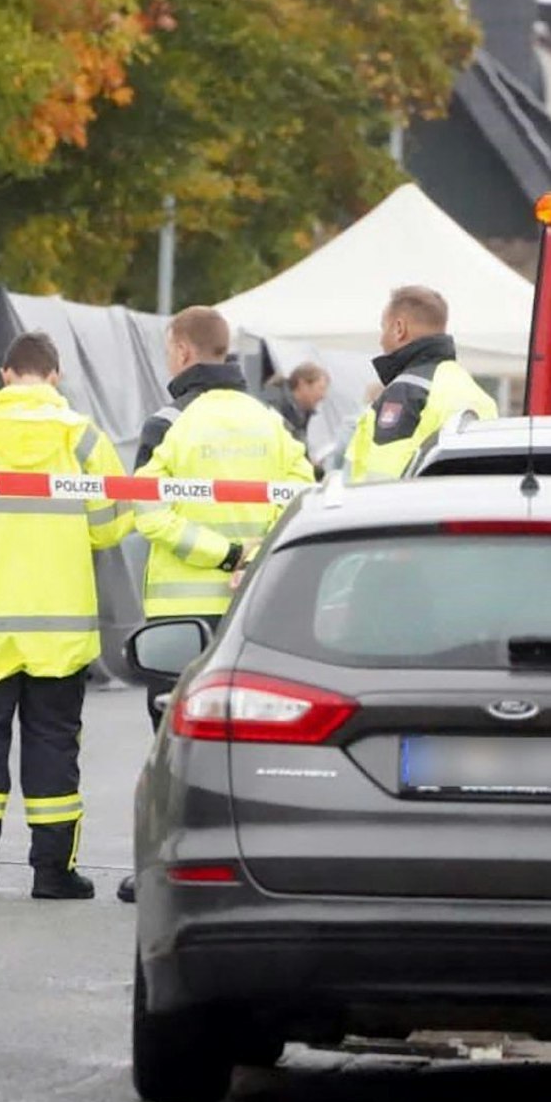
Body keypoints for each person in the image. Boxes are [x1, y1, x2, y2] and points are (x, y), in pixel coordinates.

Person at [0, 331, 135, 901]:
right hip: (60, 627)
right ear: (55, 376)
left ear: (5, 374)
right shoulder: (84, 439)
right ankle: (54, 873)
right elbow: (111, 524)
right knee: (55, 745)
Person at [118, 305, 315, 904]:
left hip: (181, 620)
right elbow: (306, 495)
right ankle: (255, 866)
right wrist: (256, 557)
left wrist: (222, 554)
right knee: (253, 736)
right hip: (255, 611)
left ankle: (163, 868)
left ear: (181, 350)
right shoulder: (269, 422)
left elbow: (145, 509)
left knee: (172, 745)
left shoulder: (168, 423)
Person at [345, 285, 498, 481]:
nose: (381, 339)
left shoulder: (406, 391)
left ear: (399, 329)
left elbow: (381, 481)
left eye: (383, 328)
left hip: (397, 510)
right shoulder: (475, 393)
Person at [260, 362, 331, 449]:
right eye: (321, 388)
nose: (323, 396)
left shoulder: (302, 411)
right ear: (302, 384)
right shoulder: (274, 405)